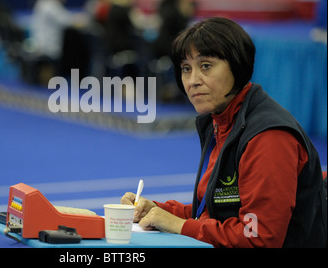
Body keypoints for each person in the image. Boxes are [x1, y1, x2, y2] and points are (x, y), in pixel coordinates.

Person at [121, 17, 327, 248]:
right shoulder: (220, 122)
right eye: (186, 69)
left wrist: (178, 225)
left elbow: (259, 237)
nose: (193, 81)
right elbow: (216, 211)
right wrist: (160, 211)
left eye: (206, 66)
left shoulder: (269, 137)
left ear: (237, 66)